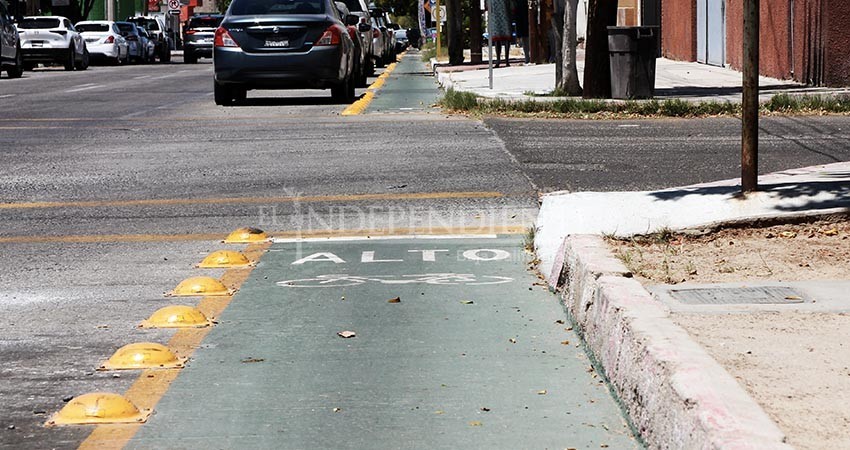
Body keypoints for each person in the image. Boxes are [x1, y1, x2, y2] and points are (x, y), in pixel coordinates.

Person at [489, 0, 513, 67]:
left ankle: (506, 60)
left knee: (506, 37)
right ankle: (499, 60)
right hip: (496, 15)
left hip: (504, 13)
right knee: (497, 38)